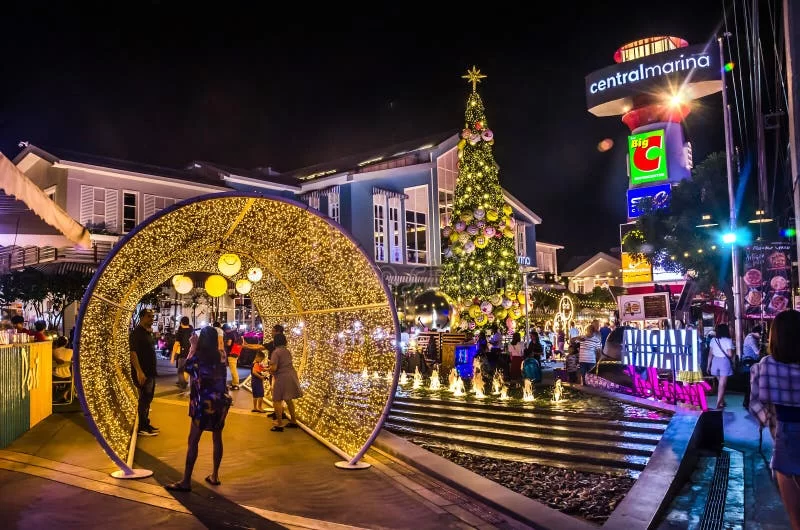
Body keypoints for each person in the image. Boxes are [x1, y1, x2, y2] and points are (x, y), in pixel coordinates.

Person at [749, 310, 800, 529]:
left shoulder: (764, 366)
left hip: (786, 441)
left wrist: (770, 421)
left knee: (797, 520)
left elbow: (755, 405)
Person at [165, 326, 232, 492]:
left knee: (193, 440)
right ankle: (215, 476)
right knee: (217, 438)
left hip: (202, 404)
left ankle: (186, 481)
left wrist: (193, 347)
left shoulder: (198, 358)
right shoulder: (222, 356)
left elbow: (185, 369)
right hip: (220, 402)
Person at [130, 309, 159, 437]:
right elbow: (133, 353)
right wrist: (139, 371)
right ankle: (142, 427)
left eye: (152, 316)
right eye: (149, 316)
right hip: (144, 373)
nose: (152, 319)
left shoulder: (147, 333)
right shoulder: (137, 333)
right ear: (142, 317)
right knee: (144, 400)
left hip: (151, 372)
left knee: (148, 399)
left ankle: (146, 424)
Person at [268, 333, 303, 432]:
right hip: (291, 375)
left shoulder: (276, 352)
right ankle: (293, 421)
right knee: (288, 399)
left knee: (277, 400)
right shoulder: (287, 351)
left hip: (282, 377)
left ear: (275, 342)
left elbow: (274, 368)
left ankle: (279, 424)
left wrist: (269, 369)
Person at [707, 323, 734, 409]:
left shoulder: (713, 340)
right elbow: (730, 354)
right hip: (724, 362)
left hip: (715, 362)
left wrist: (708, 365)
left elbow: (710, 354)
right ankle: (718, 402)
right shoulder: (728, 340)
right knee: (722, 384)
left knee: (720, 383)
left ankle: (722, 401)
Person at [741, 325, 762, 408]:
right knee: (750, 383)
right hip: (749, 362)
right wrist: (762, 347)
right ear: (757, 333)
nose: (760, 336)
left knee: (750, 383)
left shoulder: (750, 337)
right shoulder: (751, 339)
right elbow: (757, 352)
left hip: (750, 362)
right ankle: (747, 402)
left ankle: (748, 402)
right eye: (760, 334)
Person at [171, 317, 193, 390]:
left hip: (183, 354)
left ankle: (183, 384)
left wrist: (173, 357)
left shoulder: (180, 332)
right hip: (192, 354)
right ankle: (188, 384)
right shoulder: (192, 331)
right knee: (189, 370)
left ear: (181, 323)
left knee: (180, 371)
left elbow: (176, 345)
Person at [52, 336, 73, 402]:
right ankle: (64, 395)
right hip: (67, 376)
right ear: (66, 343)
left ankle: (51, 396)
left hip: (56, 376)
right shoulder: (71, 351)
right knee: (72, 380)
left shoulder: (54, 351)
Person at [223, 323, 242, 390]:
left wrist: (223, 343)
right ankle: (234, 383)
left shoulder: (229, 334)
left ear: (225, 330)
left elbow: (229, 343)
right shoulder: (235, 333)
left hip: (231, 353)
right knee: (234, 368)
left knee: (233, 369)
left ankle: (236, 384)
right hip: (236, 352)